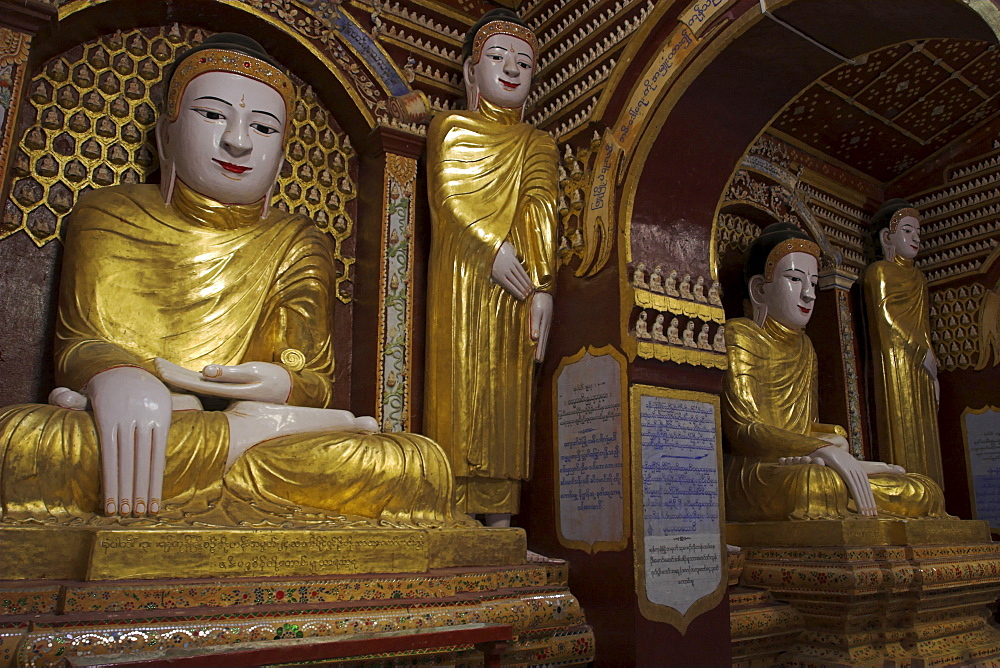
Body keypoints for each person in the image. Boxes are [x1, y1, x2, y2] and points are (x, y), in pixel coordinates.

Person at [0, 34, 469, 528]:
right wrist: (118, 377)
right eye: (212, 115)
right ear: (165, 135)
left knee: (413, 465)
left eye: (264, 127)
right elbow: (82, 344)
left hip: (262, 436)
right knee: (24, 444)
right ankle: (239, 440)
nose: (239, 140)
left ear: (282, 157)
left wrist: (282, 384)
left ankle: (234, 443)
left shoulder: (297, 239)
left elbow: (312, 381)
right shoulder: (107, 212)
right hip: (154, 424)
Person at [423, 10, 557, 528]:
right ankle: (453, 500)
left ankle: (499, 510)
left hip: (519, 282)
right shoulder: (451, 127)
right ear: (470, 71)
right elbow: (449, 200)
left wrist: (541, 284)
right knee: (459, 377)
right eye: (498, 58)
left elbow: (540, 204)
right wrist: (489, 248)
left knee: (507, 386)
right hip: (463, 273)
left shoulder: (538, 143)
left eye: (523, 62)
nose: (511, 68)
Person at [722, 223, 947, 521]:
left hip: (804, 460)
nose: (808, 295)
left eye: (813, 283)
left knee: (922, 490)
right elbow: (745, 430)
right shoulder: (739, 335)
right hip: (760, 470)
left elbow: (806, 426)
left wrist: (833, 439)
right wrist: (820, 447)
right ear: (760, 289)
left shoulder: (806, 347)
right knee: (815, 486)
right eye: (794, 279)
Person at [862, 200, 943, 488]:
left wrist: (931, 364)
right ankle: (910, 486)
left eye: (917, 232)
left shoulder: (919, 279)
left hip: (923, 365)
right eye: (908, 231)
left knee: (927, 429)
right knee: (903, 427)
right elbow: (887, 320)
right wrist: (920, 352)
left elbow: (923, 326)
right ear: (887, 238)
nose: (916, 238)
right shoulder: (879, 272)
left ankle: (934, 492)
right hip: (897, 362)